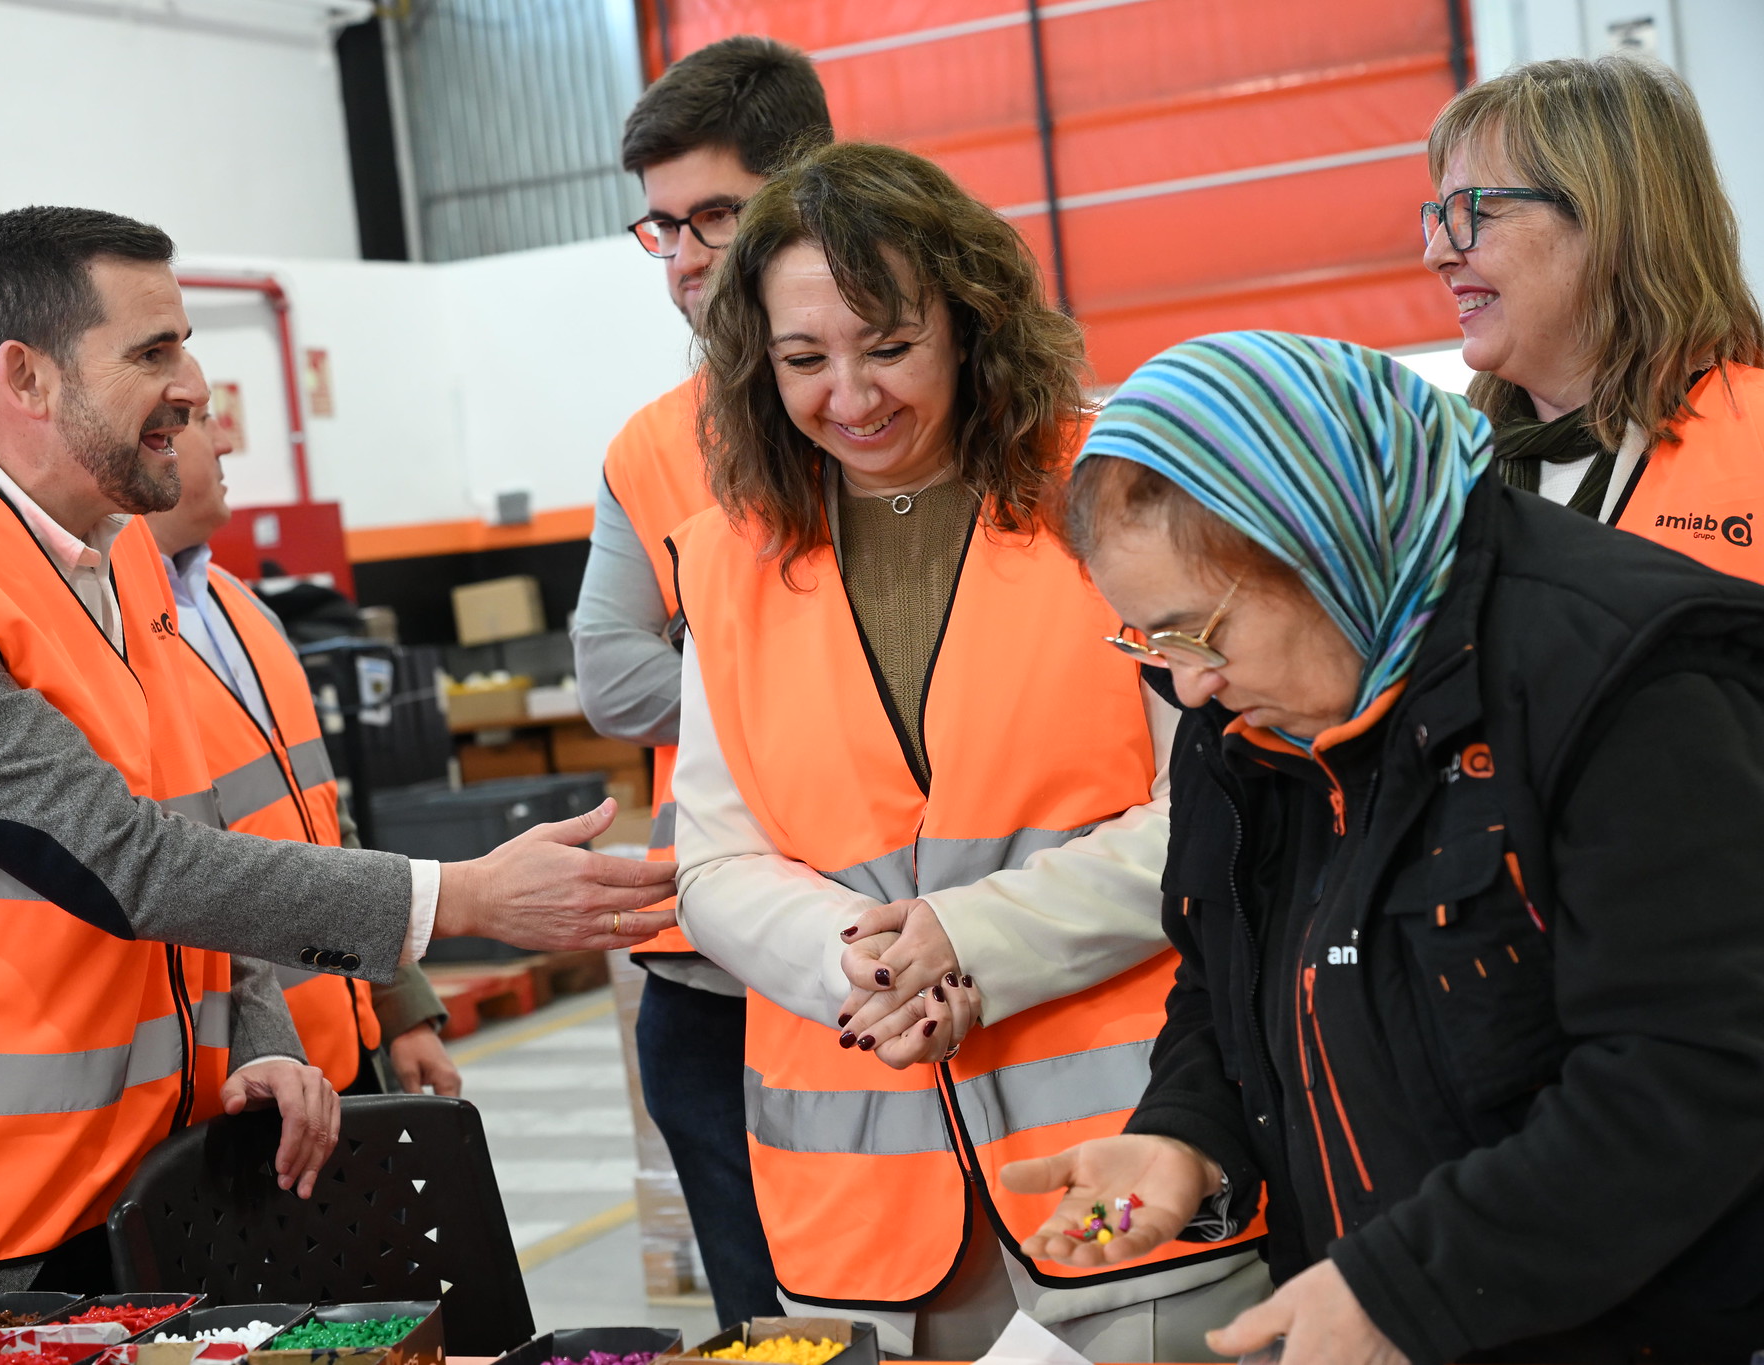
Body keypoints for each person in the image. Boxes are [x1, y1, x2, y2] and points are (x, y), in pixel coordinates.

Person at [0, 206, 670, 1325]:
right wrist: (458, 897)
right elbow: (120, 860)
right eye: (152, 352)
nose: (194, 389)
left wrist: (253, 1043)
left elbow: (192, 833)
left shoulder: (119, 556)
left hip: (137, 1185)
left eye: (185, 344)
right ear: (25, 377)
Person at [1037, 329, 1764, 1365]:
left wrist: (1404, 1290)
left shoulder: (1629, 679)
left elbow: (1696, 1074)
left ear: (1320, 542)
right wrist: (1188, 1133)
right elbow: (1225, 980)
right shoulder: (1243, 708)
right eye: (1151, 642)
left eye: (1197, 633)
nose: (1186, 684)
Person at [670, 141, 1268, 1362]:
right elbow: (713, 862)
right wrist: (856, 965)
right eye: (802, 360)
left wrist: (967, 938)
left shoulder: (1113, 494)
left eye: (888, 345)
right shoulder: (727, 561)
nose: (850, 396)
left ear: (969, 323)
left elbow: (1215, 807)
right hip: (864, 1212)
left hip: (1124, 1162)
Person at [570, 34, 828, 1323]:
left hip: (916, 930)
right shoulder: (652, 446)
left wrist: (712, 645)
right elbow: (611, 678)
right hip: (708, 961)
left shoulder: (917, 398)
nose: (680, 259)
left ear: (811, 190)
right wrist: (811, 666)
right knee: (763, 1324)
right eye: (661, 227)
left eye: (713, 217)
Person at [146, 392, 459, 1098]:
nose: (226, 441)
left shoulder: (246, 611)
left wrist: (400, 1006)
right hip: (245, 1082)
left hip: (347, 1052)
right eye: (201, 418)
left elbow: (326, 822)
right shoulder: (114, 640)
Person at [1422, 53, 1764, 568]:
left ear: (1611, 220)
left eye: (1477, 212)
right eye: (1439, 216)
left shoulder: (1753, 440)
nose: (1437, 255)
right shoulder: (1432, 477)